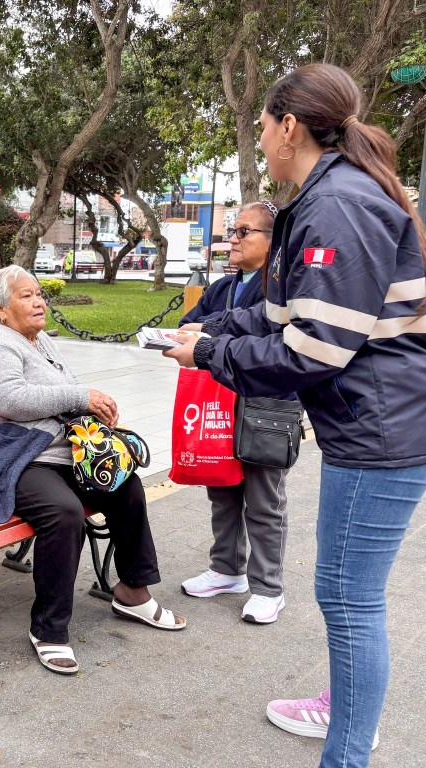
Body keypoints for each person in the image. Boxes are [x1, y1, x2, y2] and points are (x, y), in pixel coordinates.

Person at [164, 64, 426, 768]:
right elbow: (279, 312)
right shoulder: (326, 198)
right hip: (386, 418)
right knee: (349, 593)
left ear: (289, 126)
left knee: (348, 597)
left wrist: (209, 353)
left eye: (264, 125)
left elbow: (313, 349)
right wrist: (210, 331)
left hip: (385, 430)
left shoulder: (337, 205)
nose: (262, 137)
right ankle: (344, 708)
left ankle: (347, 749)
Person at [0, 264, 186, 677]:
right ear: (1, 309)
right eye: (26, 296)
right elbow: (10, 400)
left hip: (58, 451)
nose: (39, 302)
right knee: (63, 514)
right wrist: (82, 398)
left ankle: (132, 591)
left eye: (39, 294)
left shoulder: (39, 339)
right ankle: (48, 629)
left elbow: (63, 388)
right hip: (10, 454)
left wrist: (94, 411)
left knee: (127, 487)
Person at [177, 200, 291, 625]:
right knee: (222, 489)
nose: (234, 240)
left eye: (245, 232)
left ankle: (268, 588)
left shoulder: (282, 285)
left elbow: (269, 333)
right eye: (233, 232)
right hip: (218, 401)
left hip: (266, 403)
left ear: (272, 240)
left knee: (263, 500)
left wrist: (210, 332)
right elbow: (189, 323)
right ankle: (227, 569)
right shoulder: (223, 286)